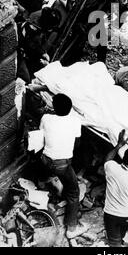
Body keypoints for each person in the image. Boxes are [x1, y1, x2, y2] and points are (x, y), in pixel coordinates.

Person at [39, 93, 89, 239]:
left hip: (44, 159)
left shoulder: (46, 118)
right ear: (70, 108)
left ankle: (44, 185)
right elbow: (78, 143)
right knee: (74, 193)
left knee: (49, 169)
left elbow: (41, 135)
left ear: (53, 107)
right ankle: (72, 229)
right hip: (61, 164)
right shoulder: (75, 121)